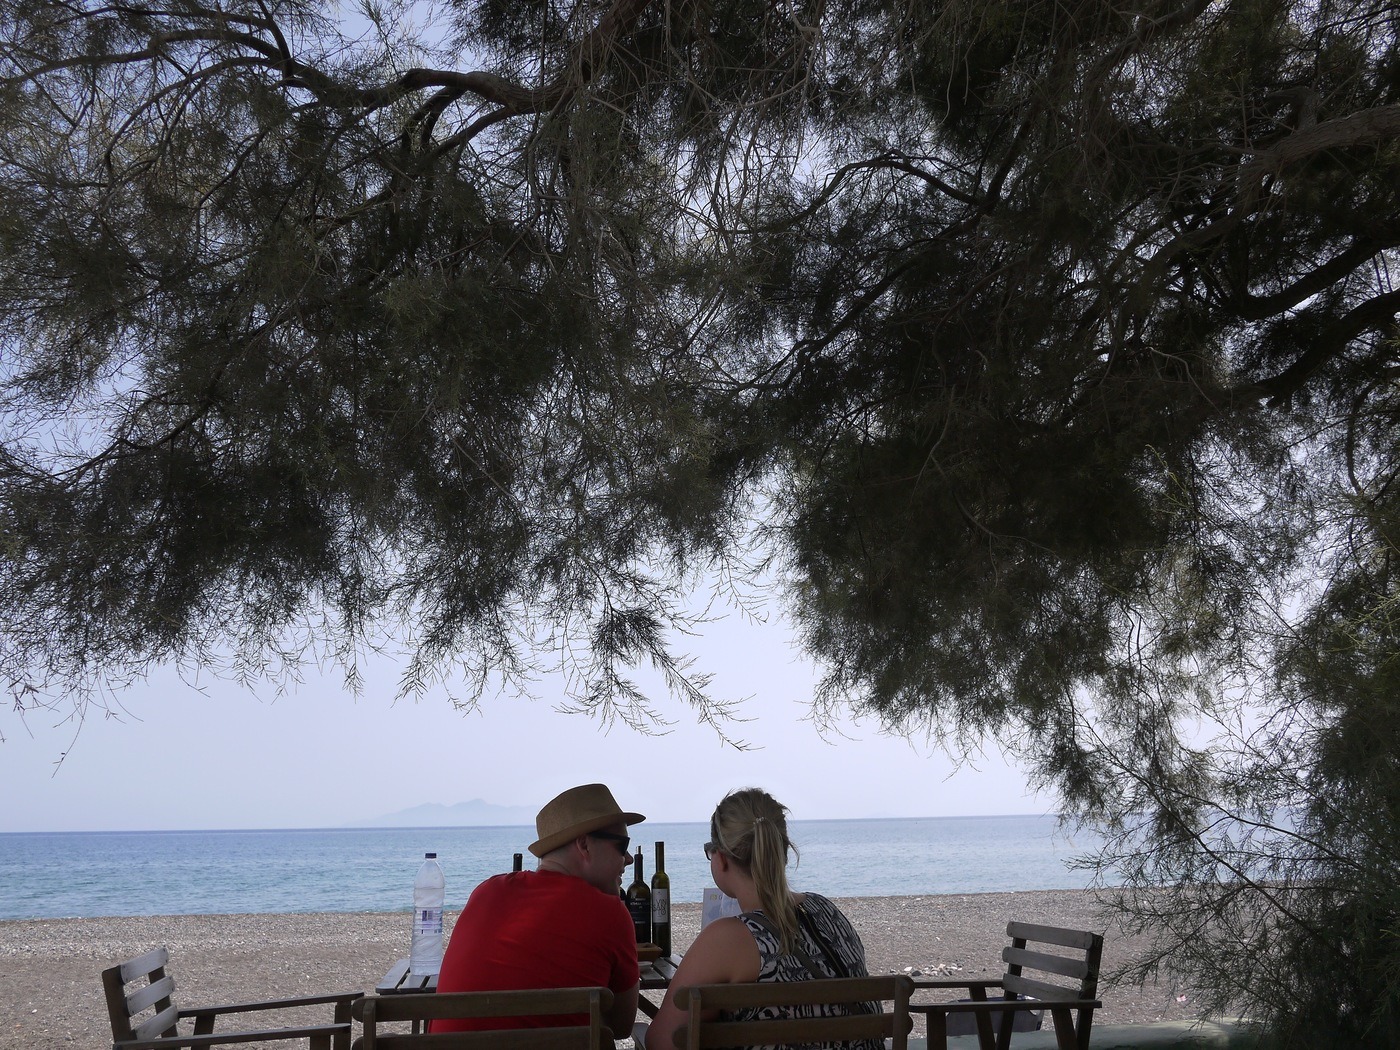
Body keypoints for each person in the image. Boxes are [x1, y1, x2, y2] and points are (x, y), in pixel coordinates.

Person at [644, 787, 882, 1050]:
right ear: (782, 852)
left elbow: (662, 1042)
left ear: (720, 859)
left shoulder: (726, 940)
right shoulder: (828, 911)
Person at [431, 783, 643, 1038]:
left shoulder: (485, 892)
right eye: (623, 846)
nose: (628, 859)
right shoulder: (610, 914)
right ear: (585, 845)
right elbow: (620, 1027)